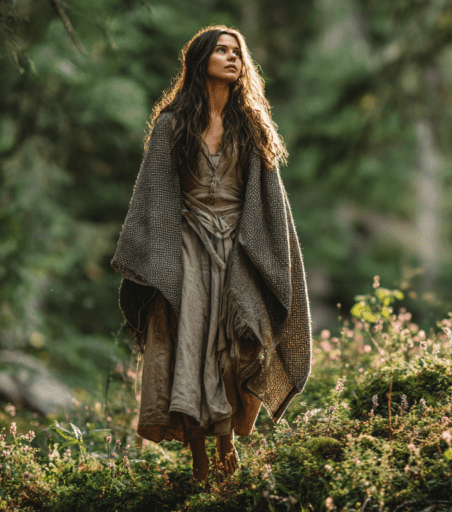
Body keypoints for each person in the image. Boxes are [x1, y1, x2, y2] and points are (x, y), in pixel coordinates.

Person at [111, 25, 312, 482]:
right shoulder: (171, 124)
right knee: (189, 348)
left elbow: (270, 201)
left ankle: (228, 444)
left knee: (238, 345)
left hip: (240, 250)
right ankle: (202, 460)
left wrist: (268, 254)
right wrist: (156, 262)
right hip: (186, 250)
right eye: (221, 50)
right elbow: (152, 198)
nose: (232, 57)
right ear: (201, 61)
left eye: (237, 51)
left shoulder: (252, 125)